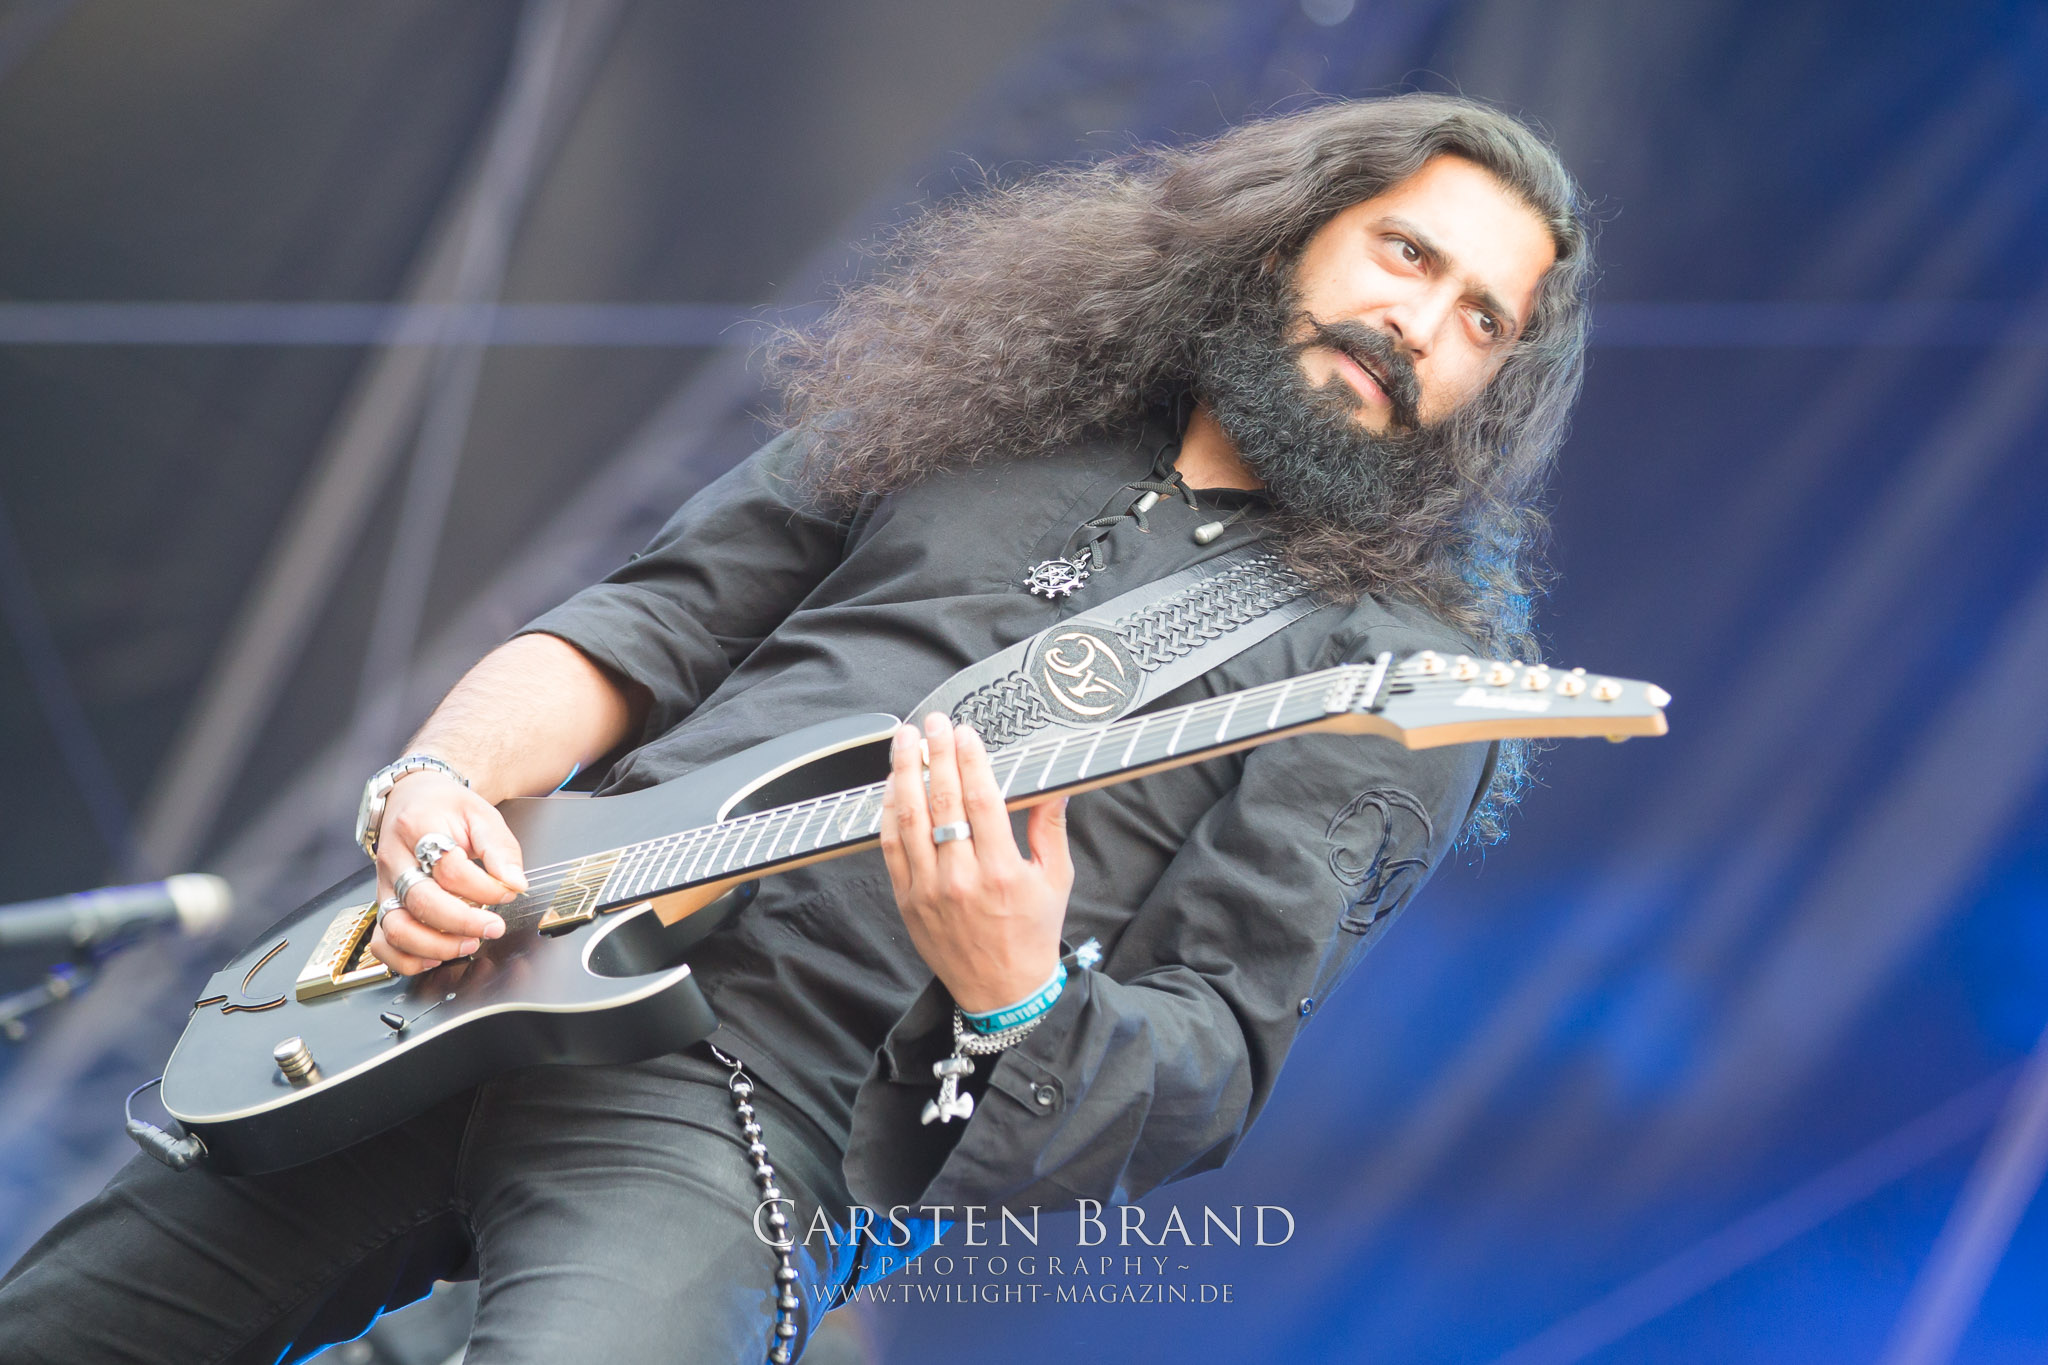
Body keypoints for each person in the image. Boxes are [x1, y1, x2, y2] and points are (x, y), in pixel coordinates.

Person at [0, 93, 1589, 1363]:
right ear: (1293, 229)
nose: (1421, 324)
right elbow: (640, 626)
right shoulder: (988, 401)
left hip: (758, 1118)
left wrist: (1017, 989)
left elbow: (1209, 1060)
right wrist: (435, 788)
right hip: (475, 967)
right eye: (1405, 253)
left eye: (1481, 321)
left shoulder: (1385, 676)